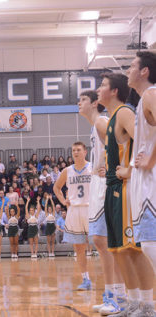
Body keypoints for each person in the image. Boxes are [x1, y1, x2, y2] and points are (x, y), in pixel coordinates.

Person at [98, 72, 155, 316]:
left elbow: (142, 140)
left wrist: (131, 170)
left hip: (124, 190)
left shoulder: (124, 112)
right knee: (119, 251)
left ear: (114, 91)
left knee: (133, 249)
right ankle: (132, 302)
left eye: (102, 85)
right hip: (112, 189)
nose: (98, 89)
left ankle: (147, 304)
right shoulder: (111, 118)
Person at [79, 89, 127, 314]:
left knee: (105, 241)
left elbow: (119, 146)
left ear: (95, 102)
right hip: (99, 186)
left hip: (106, 185)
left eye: (83, 99)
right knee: (101, 242)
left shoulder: (101, 121)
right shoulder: (95, 124)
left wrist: (109, 167)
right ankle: (112, 293)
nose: (79, 103)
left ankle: (118, 296)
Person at [127, 51, 156, 315]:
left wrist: (150, 159)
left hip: (152, 184)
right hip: (143, 183)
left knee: (150, 244)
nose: (128, 69)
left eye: (133, 65)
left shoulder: (151, 94)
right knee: (147, 244)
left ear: (145, 71)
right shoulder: (142, 100)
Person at [54, 142, 92, 291]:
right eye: (73, 150)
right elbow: (56, 187)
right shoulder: (67, 170)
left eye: (78, 150)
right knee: (79, 247)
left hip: (91, 208)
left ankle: (114, 283)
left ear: (85, 152)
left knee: (102, 245)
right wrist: (63, 201)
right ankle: (86, 279)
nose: (75, 152)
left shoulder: (92, 168)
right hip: (74, 210)